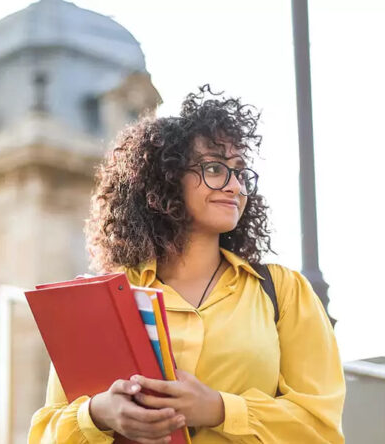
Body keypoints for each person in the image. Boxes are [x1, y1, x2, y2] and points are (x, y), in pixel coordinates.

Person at [29, 86, 345, 443]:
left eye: (240, 171)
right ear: (166, 178)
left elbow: (321, 428)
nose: (234, 186)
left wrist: (218, 409)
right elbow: (45, 434)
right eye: (214, 167)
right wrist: (98, 414)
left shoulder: (283, 292)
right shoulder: (104, 300)